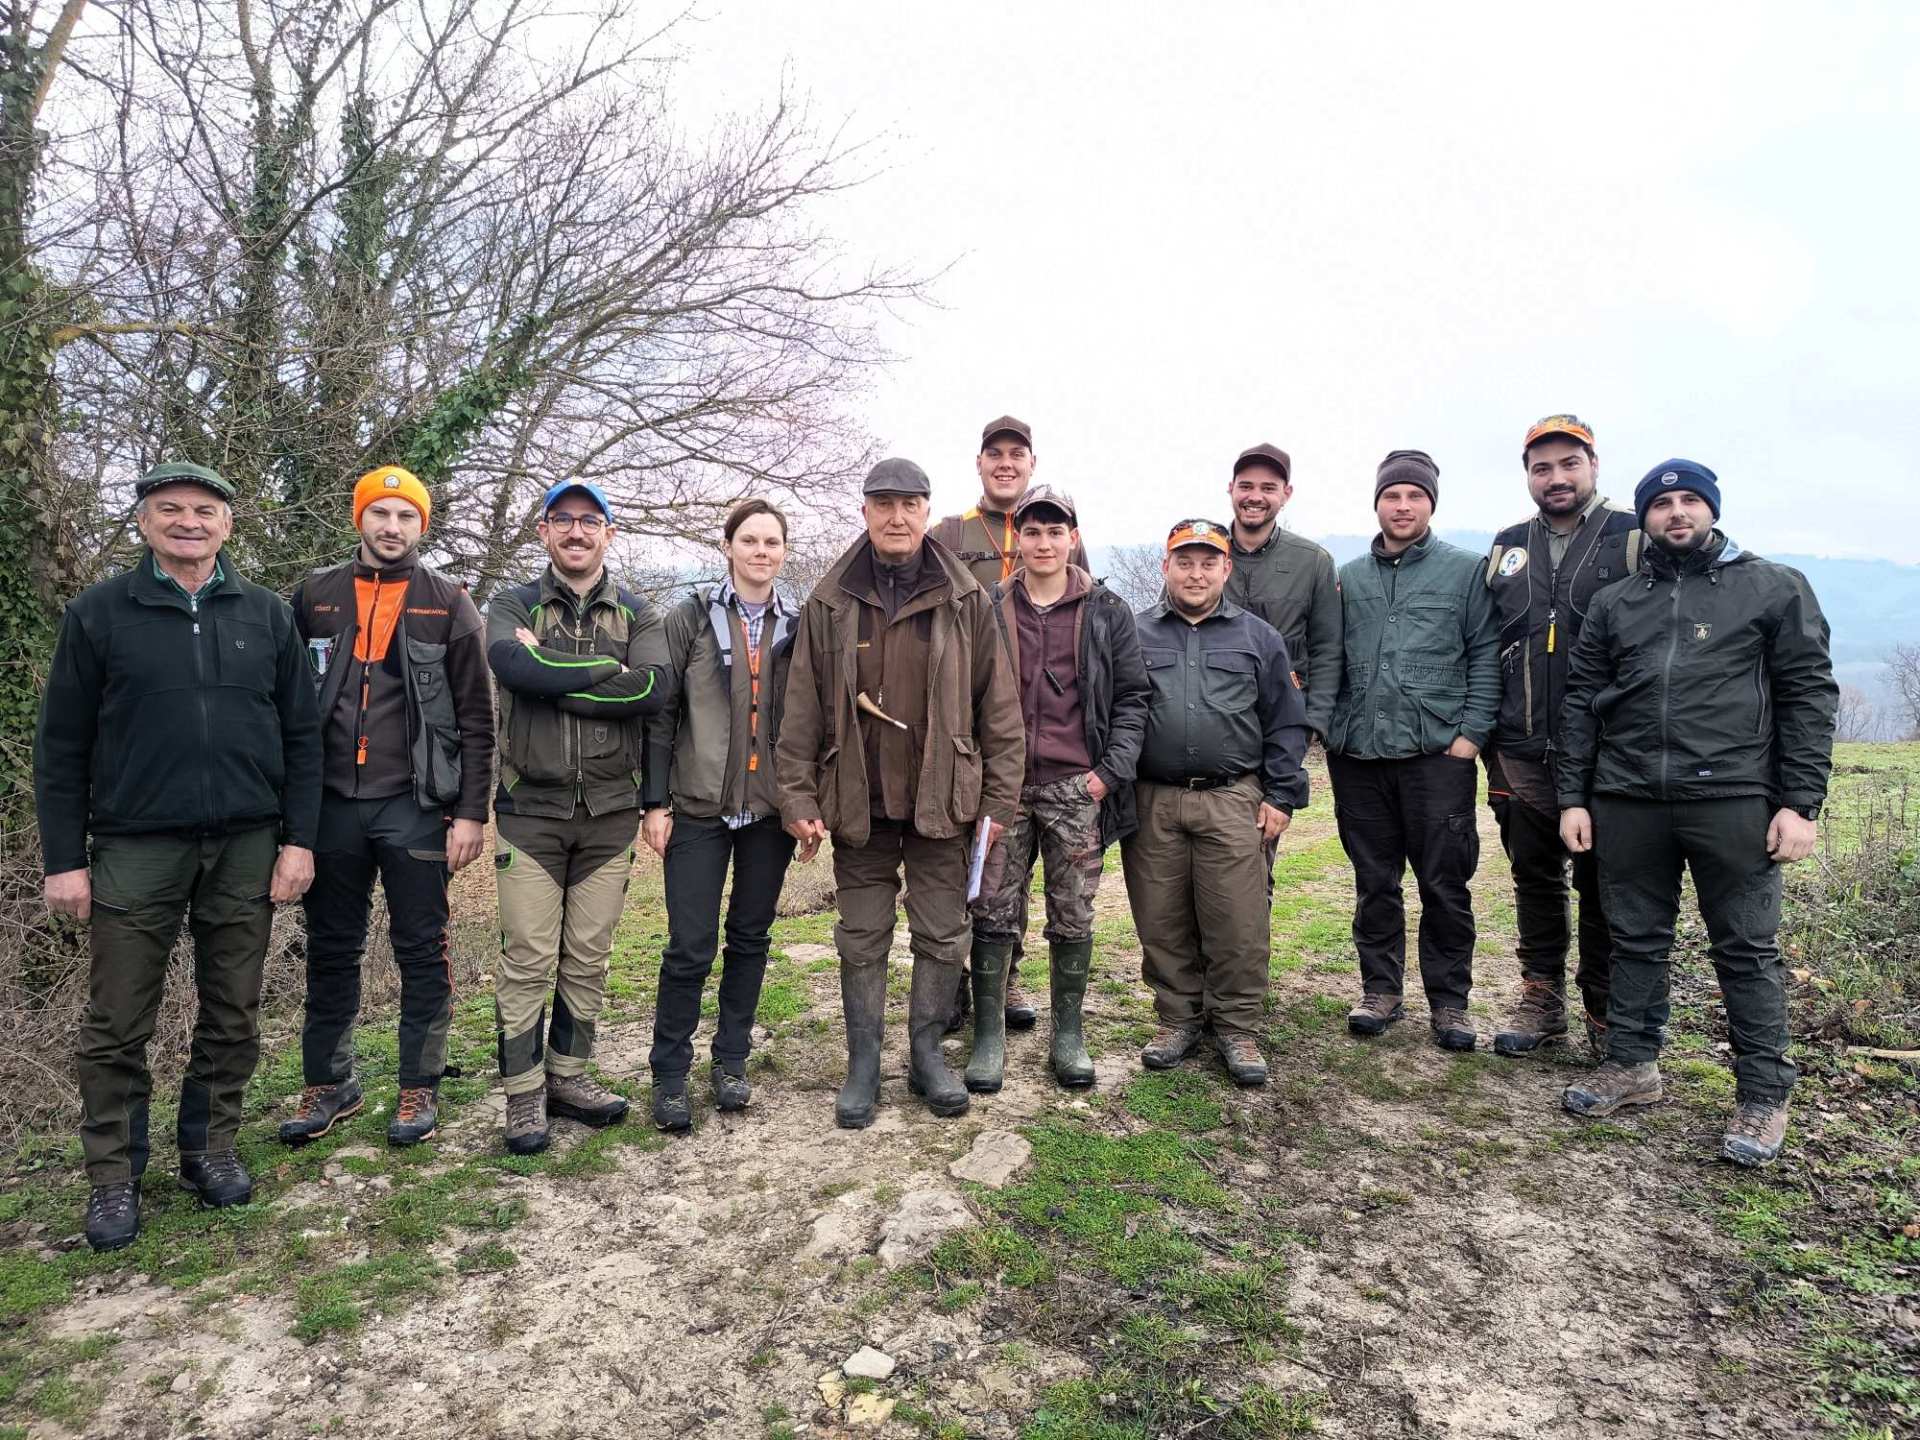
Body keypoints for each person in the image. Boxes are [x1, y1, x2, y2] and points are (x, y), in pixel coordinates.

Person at [36, 462, 321, 1251]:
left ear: (228, 525)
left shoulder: (264, 615)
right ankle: (113, 1177)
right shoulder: (100, 615)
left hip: (247, 842)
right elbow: (61, 745)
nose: (188, 522)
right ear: (143, 521)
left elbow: (302, 737)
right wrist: (66, 858)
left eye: (205, 510)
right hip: (134, 844)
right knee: (118, 1019)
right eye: (171, 509)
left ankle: (209, 1146)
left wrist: (299, 840)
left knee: (232, 1007)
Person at [1557, 461, 1836, 1167]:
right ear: (1645, 517)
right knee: (1635, 939)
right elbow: (1582, 703)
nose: (1675, 514)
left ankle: (1764, 1095)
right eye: (1662, 504)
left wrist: (1800, 803)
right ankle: (1632, 1064)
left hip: (1734, 798)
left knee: (1745, 948)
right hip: (1628, 798)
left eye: (1689, 502)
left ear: (1710, 510)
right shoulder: (1619, 602)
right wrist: (1574, 797)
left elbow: (1808, 695)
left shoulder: (1771, 587)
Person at [776, 458, 1024, 1127]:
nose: (896, 517)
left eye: (909, 504)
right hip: (860, 803)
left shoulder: (966, 596)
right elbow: (800, 708)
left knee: (943, 935)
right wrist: (797, 797)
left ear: (926, 511)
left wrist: (999, 804)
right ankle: (863, 1064)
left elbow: (998, 707)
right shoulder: (831, 600)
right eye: (883, 503)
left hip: (944, 801)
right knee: (862, 937)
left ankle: (925, 1055)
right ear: (864, 512)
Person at [279, 467, 494, 1148]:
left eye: (406, 516)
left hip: (415, 805)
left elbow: (477, 720)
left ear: (421, 526)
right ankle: (329, 1083)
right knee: (331, 949)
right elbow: (282, 705)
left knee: (422, 949)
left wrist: (471, 813)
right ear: (359, 520)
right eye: (381, 514)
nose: (392, 527)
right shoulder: (314, 595)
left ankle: (418, 1087)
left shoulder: (448, 602)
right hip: (330, 805)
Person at [486, 481, 676, 1154]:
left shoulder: (640, 611)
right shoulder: (510, 602)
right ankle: (523, 1096)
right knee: (528, 958)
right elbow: (511, 664)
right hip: (529, 811)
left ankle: (569, 1077)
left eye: (588, 521)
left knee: (589, 957)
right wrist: (605, 674)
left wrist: (553, 671)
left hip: (609, 813)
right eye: (562, 520)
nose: (575, 531)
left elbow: (653, 689)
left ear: (608, 534)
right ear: (543, 531)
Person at [969, 485, 1149, 1090]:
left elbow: (1133, 699)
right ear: (1016, 538)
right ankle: (988, 1034)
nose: (1043, 543)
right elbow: (965, 695)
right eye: (1032, 531)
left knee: (1072, 912)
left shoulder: (1107, 610)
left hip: (1078, 787)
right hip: (1005, 788)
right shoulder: (990, 606)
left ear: (1073, 537)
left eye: (1055, 531)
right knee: (993, 907)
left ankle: (1067, 1033)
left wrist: (1107, 775)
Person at [1121, 519, 1309, 1087]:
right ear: (1166, 568)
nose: (1196, 573)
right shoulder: (1134, 633)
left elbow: (1286, 722)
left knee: (1237, 921)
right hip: (1153, 800)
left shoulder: (1258, 638)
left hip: (1233, 798)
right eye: (1185, 561)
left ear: (1226, 569)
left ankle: (1237, 1027)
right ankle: (1176, 1019)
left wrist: (1281, 794)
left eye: (1208, 562)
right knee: (1161, 917)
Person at [1327, 451, 1498, 1051]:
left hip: (1436, 756)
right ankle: (1381, 989)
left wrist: (1470, 736)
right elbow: (1329, 660)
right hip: (1359, 755)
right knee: (1374, 880)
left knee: (1444, 882)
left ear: (1431, 504)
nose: (1403, 507)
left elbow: (1485, 655)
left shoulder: (1465, 571)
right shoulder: (1346, 577)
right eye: (1392, 496)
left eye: (1415, 497)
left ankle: (1450, 1003)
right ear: (1376, 503)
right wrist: (1328, 729)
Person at [1482, 416, 1642, 1058]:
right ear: (1527, 475)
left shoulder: (1633, 536)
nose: (1555, 478)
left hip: (1607, 749)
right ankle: (1541, 1000)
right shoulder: (1506, 545)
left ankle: (1605, 1014)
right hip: (1519, 747)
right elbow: (1486, 642)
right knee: (1534, 876)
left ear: (1594, 465)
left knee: (1604, 884)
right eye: (1541, 467)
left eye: (1568, 464)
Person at [640, 499, 800, 1131]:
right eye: (750, 541)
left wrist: (804, 803)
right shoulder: (690, 618)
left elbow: (812, 722)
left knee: (751, 939)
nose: (762, 552)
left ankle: (731, 1061)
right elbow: (661, 714)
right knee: (689, 946)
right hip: (699, 809)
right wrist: (655, 802)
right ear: (729, 547)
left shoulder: (800, 622)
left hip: (769, 812)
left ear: (784, 552)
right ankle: (670, 1074)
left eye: (773, 542)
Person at [931, 414, 1089, 1031]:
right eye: (993, 453)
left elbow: (1085, 619)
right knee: (970, 872)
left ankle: (1010, 982)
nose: (1005, 463)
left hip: (1046, 732)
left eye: (1016, 455)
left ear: (1031, 464)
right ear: (979, 464)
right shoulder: (948, 531)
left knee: (1010, 873)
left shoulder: (1057, 530)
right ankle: (957, 986)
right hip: (972, 726)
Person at [1221, 442, 1343, 743]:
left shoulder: (1313, 561)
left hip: (1284, 721)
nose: (1255, 497)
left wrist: (1315, 720)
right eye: (1246, 486)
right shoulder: (1202, 555)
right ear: (1230, 489)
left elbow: (1328, 648)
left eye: (1268, 488)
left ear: (1286, 494)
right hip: (1212, 720)